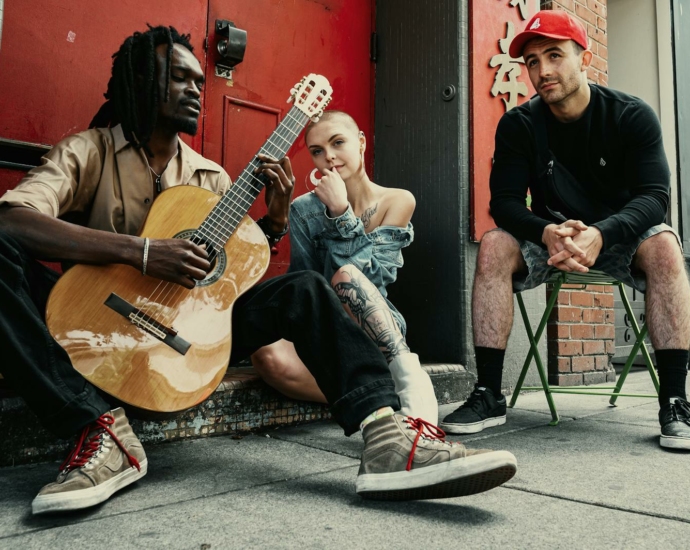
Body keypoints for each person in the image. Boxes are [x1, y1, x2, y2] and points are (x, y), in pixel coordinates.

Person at [0, 25, 517, 514]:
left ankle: (385, 435)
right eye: (179, 78)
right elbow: (15, 221)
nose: (195, 89)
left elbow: (235, 268)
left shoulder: (208, 175)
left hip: (187, 331)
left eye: (200, 81)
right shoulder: (88, 151)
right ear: (139, 81)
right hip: (94, 324)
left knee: (304, 290)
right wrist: (140, 252)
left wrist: (272, 220)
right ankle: (100, 431)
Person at [440, 11, 690, 450]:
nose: (542, 70)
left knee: (666, 245)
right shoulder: (519, 124)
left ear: (585, 59)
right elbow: (505, 204)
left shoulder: (631, 116)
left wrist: (602, 233)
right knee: (496, 244)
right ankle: (488, 393)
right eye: (533, 61)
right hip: (550, 240)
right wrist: (548, 232)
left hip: (620, 239)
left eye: (554, 55)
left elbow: (655, 198)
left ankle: (674, 401)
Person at [251, 111, 438, 424]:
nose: (329, 157)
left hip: (374, 330)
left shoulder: (397, 201)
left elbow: (373, 278)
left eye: (338, 142)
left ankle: (413, 391)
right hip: (325, 333)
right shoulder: (304, 210)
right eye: (317, 151)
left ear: (361, 142)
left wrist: (341, 214)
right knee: (268, 357)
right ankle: (379, 396)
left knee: (348, 277)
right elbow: (306, 281)